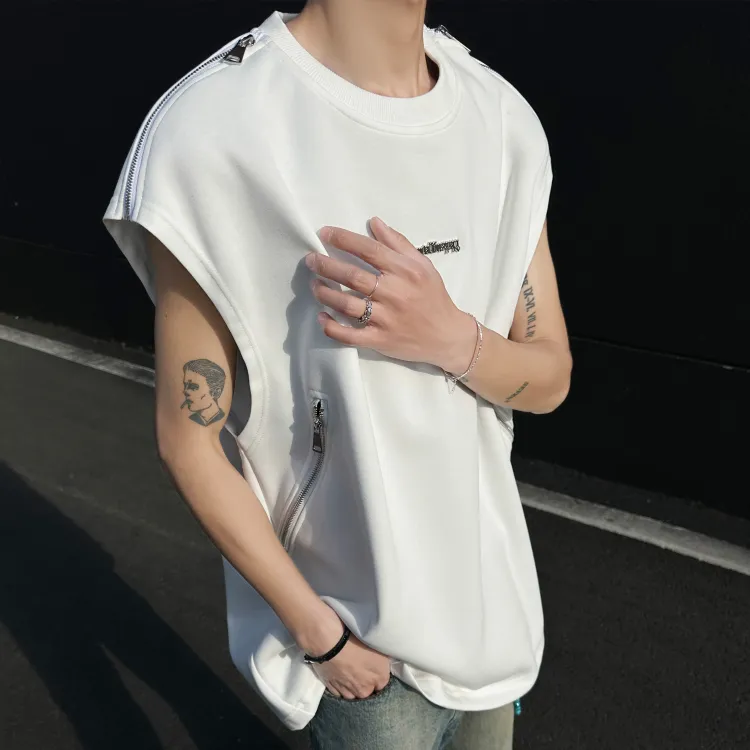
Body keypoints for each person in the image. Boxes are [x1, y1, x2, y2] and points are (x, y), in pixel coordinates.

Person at [103, 2, 572, 747]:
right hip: (361, 654)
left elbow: (550, 377)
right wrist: (320, 636)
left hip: (494, 634)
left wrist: (452, 338)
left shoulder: (501, 120)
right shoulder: (215, 129)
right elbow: (188, 440)